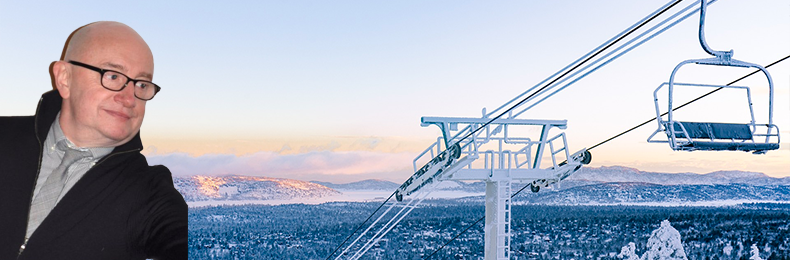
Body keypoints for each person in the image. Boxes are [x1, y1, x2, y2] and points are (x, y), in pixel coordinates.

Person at [0, 21, 187, 260]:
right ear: (65, 78)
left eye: (141, 84)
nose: (129, 98)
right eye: (112, 76)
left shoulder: (149, 191)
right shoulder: (4, 137)